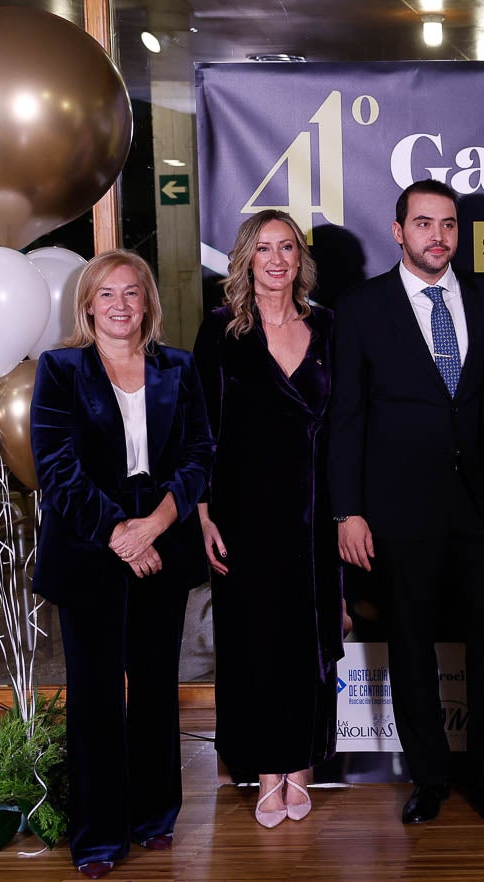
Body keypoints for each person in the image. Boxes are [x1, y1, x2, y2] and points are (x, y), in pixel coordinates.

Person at [328, 179, 484, 826]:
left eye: (448, 225)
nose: (437, 236)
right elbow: (345, 417)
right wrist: (346, 509)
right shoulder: (358, 309)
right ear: (398, 230)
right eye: (423, 223)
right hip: (398, 509)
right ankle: (430, 780)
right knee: (409, 646)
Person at [30, 251, 213, 879]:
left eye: (131, 293)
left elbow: (198, 457)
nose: (119, 305)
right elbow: (57, 469)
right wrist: (118, 534)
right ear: (87, 305)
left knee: (158, 688)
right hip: (89, 549)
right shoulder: (59, 370)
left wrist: (154, 527)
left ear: (148, 303)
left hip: (161, 541)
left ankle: (153, 815)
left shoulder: (179, 368)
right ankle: (99, 836)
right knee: (96, 697)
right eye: (106, 294)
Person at [193, 209, 340, 828]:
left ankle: (300, 766)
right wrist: (201, 513)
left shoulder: (329, 326)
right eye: (265, 249)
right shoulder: (220, 331)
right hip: (243, 513)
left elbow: (347, 424)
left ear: (299, 259)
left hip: (314, 512)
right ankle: (265, 769)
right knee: (254, 642)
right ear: (246, 259)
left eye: (287, 248)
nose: (277, 260)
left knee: (307, 642)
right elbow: (199, 429)